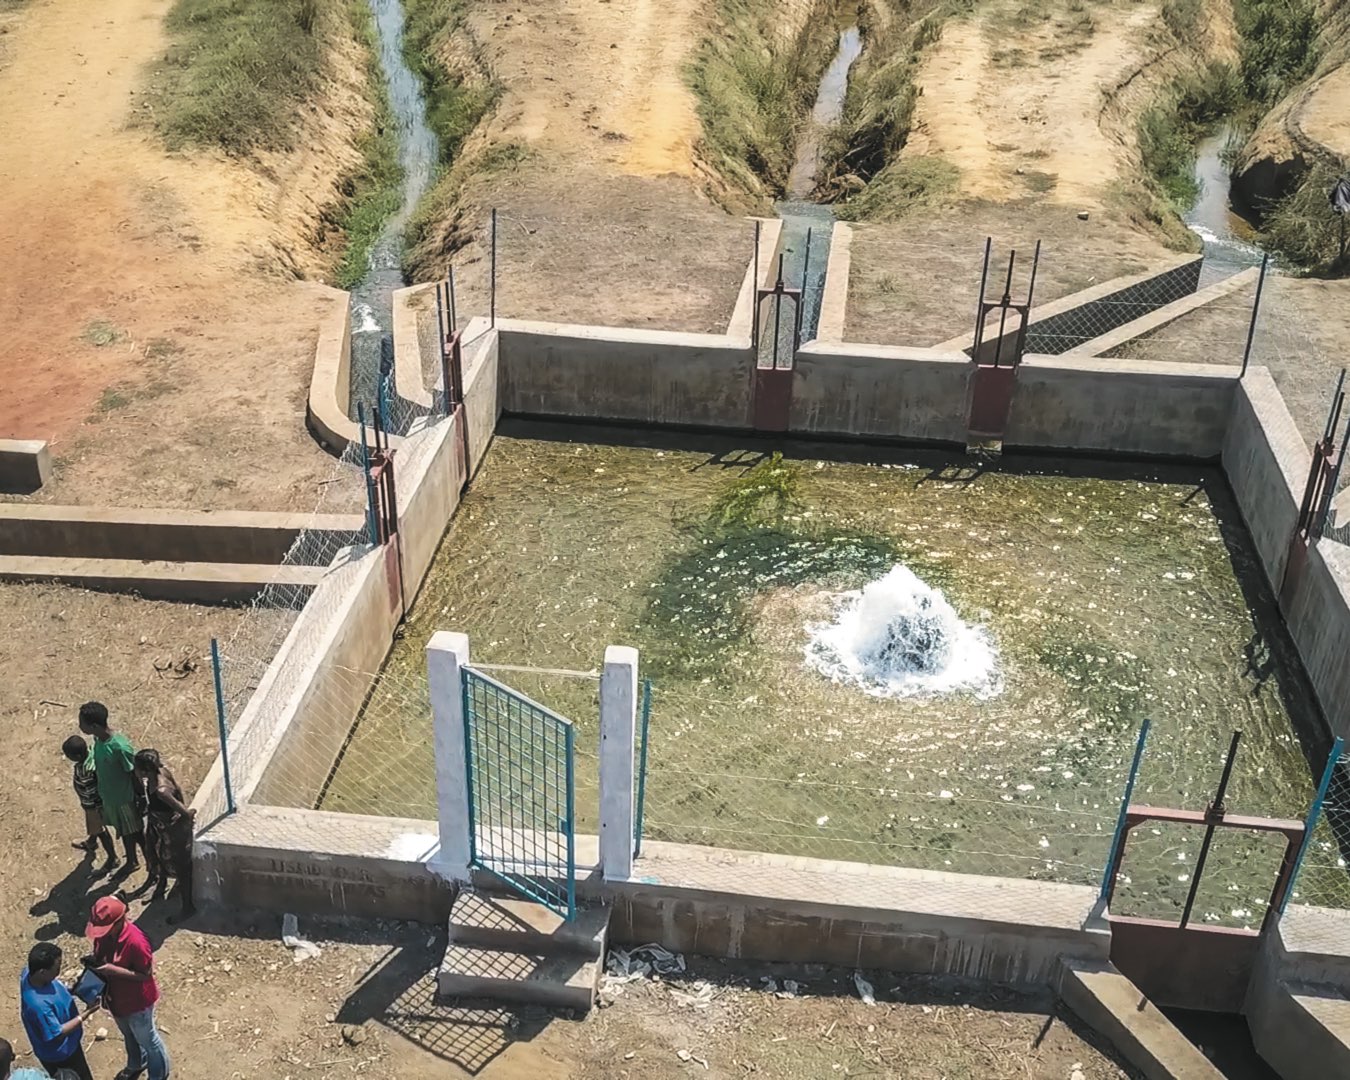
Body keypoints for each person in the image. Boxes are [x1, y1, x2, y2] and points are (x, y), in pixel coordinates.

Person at [86, 896, 171, 1080]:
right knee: (128, 1034)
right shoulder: (104, 937)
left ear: (119, 921)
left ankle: (158, 1074)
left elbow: (145, 974)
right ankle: (136, 1063)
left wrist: (112, 970)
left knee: (148, 1040)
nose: (100, 933)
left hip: (137, 1001)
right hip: (115, 999)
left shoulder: (136, 942)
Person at [78, 702, 145, 872]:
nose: (80, 727)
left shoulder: (119, 748)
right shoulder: (98, 740)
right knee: (125, 831)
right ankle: (137, 860)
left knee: (131, 833)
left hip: (124, 800)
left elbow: (134, 774)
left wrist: (142, 799)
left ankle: (136, 862)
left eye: (82, 724)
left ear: (93, 726)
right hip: (110, 798)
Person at [133, 750, 196, 922]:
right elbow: (180, 792)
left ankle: (187, 908)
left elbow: (185, 813)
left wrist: (178, 826)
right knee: (157, 856)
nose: (135, 771)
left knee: (181, 867)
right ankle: (161, 886)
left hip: (172, 832)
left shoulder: (161, 791)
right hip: (159, 828)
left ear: (145, 771)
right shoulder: (159, 773)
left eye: (136, 768)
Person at [19, 944, 97, 1080]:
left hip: (69, 1045)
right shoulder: (38, 1006)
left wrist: (73, 989)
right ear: (42, 972)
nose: (59, 971)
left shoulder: (28, 974)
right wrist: (86, 1013)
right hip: (61, 1055)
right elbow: (57, 1034)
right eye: (56, 967)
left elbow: (54, 989)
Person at [63, 734, 118, 873]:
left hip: (93, 805)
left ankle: (113, 858)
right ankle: (91, 842)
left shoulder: (84, 770)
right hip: (95, 803)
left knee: (100, 830)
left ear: (76, 756)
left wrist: (94, 807)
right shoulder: (92, 756)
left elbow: (92, 790)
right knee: (94, 827)